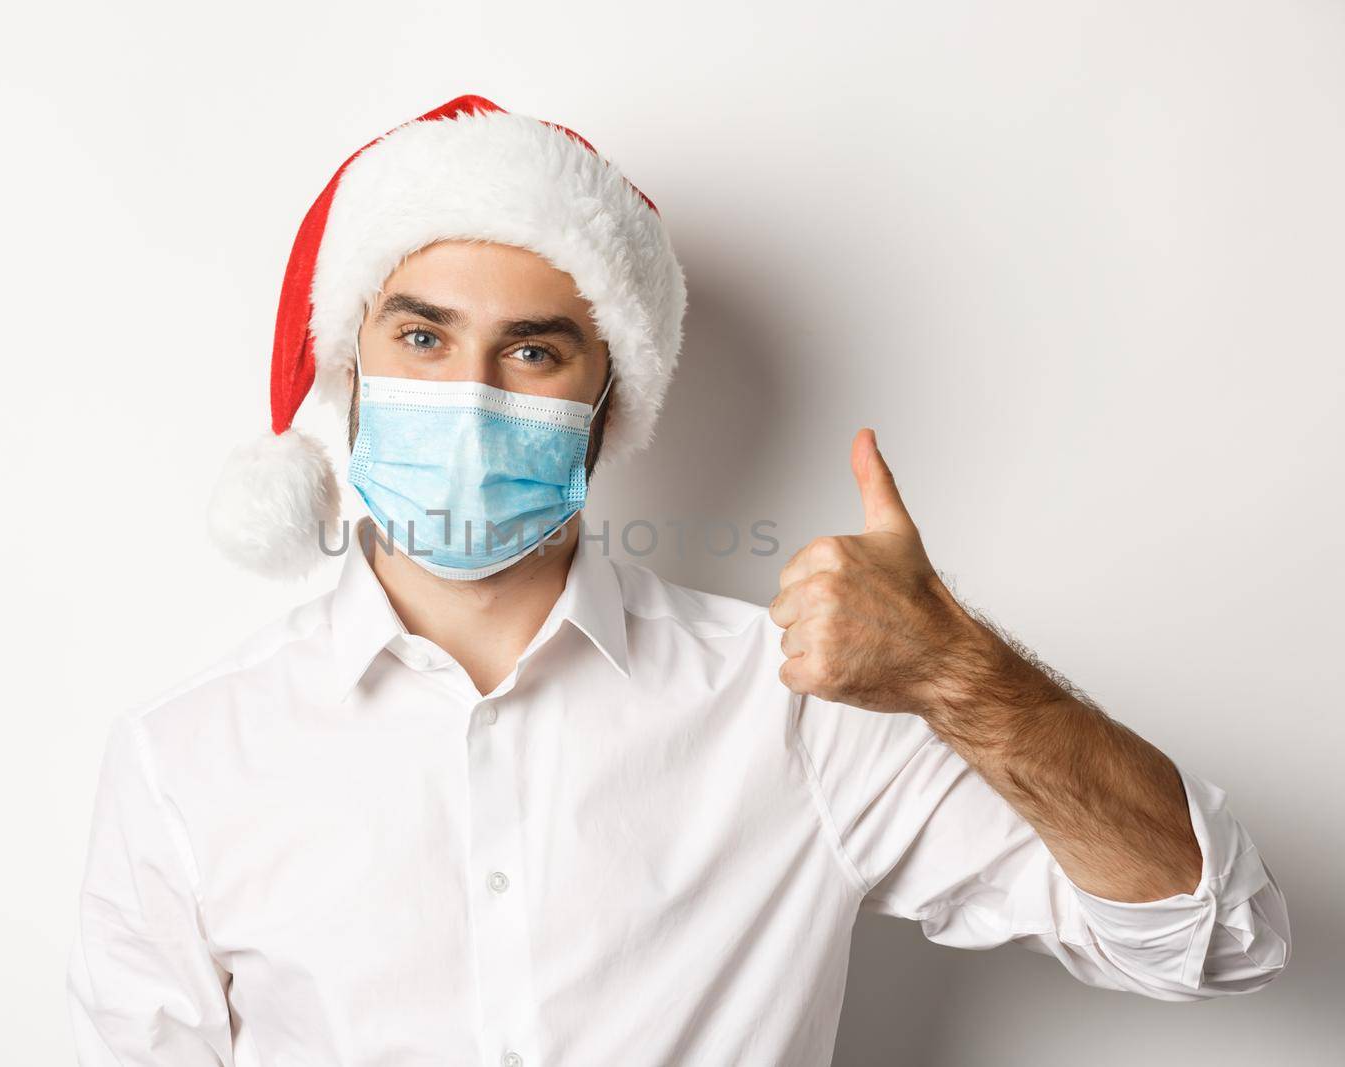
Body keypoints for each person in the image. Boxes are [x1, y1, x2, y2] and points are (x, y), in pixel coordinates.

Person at [65, 95, 1291, 1066]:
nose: (471, 393)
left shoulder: (803, 707)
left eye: (533, 350)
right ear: (350, 367)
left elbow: (1208, 933)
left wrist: (964, 674)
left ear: (609, 402)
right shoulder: (189, 758)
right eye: (423, 336)